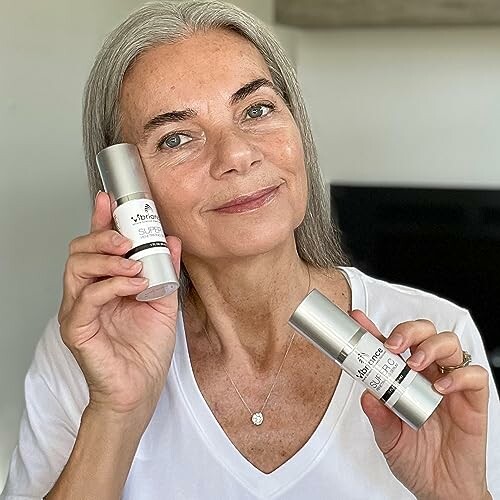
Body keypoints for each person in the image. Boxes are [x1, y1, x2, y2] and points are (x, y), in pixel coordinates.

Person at [2, 1, 499, 499]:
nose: (236, 155)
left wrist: (456, 493)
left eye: (256, 110)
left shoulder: (436, 346)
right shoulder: (90, 351)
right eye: (176, 138)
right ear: (130, 190)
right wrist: (116, 413)